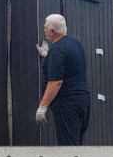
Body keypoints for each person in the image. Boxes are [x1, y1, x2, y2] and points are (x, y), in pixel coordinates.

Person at [35, 14, 92, 146]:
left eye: (45, 27)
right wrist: (47, 56)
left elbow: (56, 82)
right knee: (76, 145)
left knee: (69, 150)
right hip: (82, 102)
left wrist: (42, 107)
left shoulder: (58, 49)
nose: (43, 29)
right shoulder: (75, 43)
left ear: (52, 31)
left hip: (67, 104)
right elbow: (68, 64)